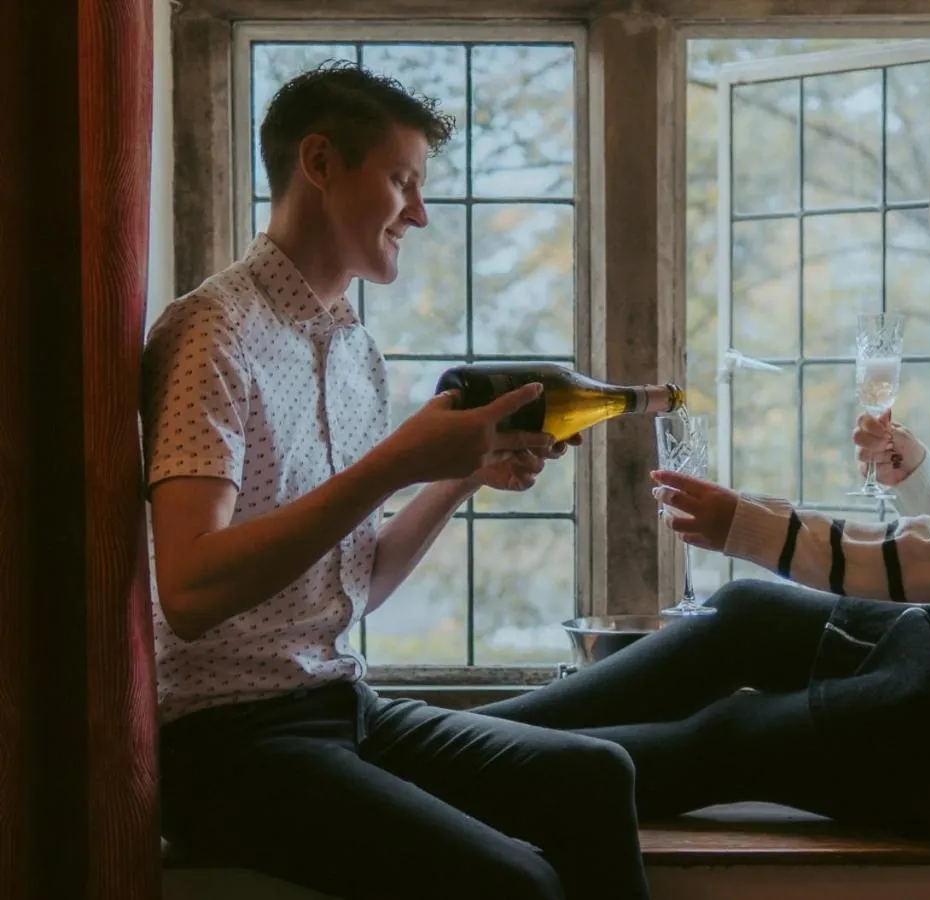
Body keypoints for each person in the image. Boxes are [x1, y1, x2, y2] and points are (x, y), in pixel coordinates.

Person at [475, 109, 930, 840]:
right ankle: (439, 737)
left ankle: (446, 765)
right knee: (745, 611)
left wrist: (750, 526)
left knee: (730, 735)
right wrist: (917, 472)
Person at [142, 61, 649, 900]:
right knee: (516, 885)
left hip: (343, 707)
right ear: (320, 161)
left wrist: (458, 478)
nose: (418, 212)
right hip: (227, 742)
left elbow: (353, 586)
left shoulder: (357, 356)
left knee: (596, 774)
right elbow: (189, 590)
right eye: (402, 181)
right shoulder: (209, 333)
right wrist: (395, 464)